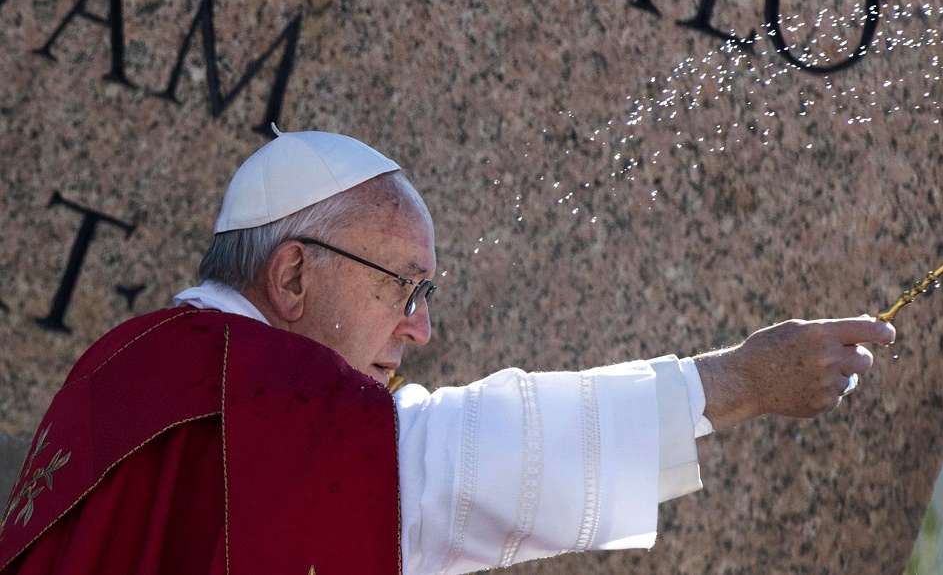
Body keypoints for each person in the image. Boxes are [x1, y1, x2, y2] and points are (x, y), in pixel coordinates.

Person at [0, 129, 895, 573]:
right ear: (294, 276)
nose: (420, 327)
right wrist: (733, 382)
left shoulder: (131, 362)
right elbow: (451, 462)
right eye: (403, 286)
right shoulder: (264, 387)